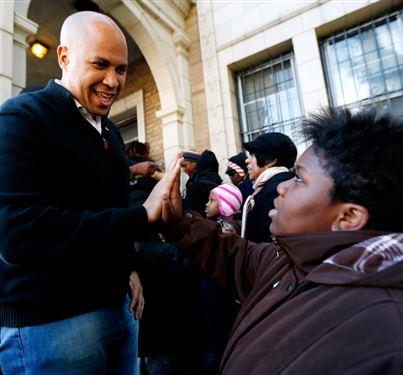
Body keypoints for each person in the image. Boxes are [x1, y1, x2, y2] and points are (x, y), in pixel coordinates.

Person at [0, 11, 181, 375]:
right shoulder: (20, 119)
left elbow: (104, 210)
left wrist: (127, 269)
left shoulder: (111, 134)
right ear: (64, 57)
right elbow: (19, 233)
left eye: (121, 68)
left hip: (120, 313)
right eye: (100, 64)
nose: (113, 81)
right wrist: (142, 214)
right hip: (50, 326)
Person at [161, 107, 403, 374]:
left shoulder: (386, 343)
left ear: (348, 216)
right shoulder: (294, 261)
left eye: (299, 179)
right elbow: (236, 256)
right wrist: (178, 221)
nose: (282, 186)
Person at [241, 133, 297, 242]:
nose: (247, 160)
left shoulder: (276, 191)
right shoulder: (270, 186)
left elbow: (270, 243)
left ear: (270, 160)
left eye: (252, 154)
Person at [182, 149, 222, 216]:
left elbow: (188, 209)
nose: (183, 169)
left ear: (197, 164)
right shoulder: (217, 181)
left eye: (184, 165)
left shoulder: (198, 185)